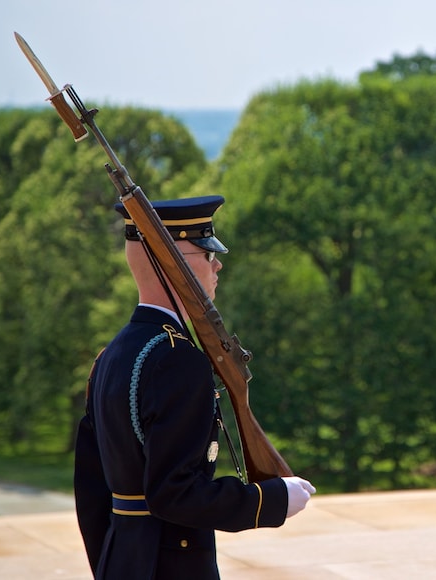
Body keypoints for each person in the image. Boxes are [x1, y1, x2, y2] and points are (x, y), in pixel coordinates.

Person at [73, 195, 315, 579]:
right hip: (172, 565)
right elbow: (176, 493)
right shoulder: (176, 358)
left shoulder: (111, 355)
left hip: (124, 560)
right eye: (206, 253)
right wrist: (268, 500)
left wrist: (111, 563)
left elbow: (91, 491)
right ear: (177, 266)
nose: (217, 264)